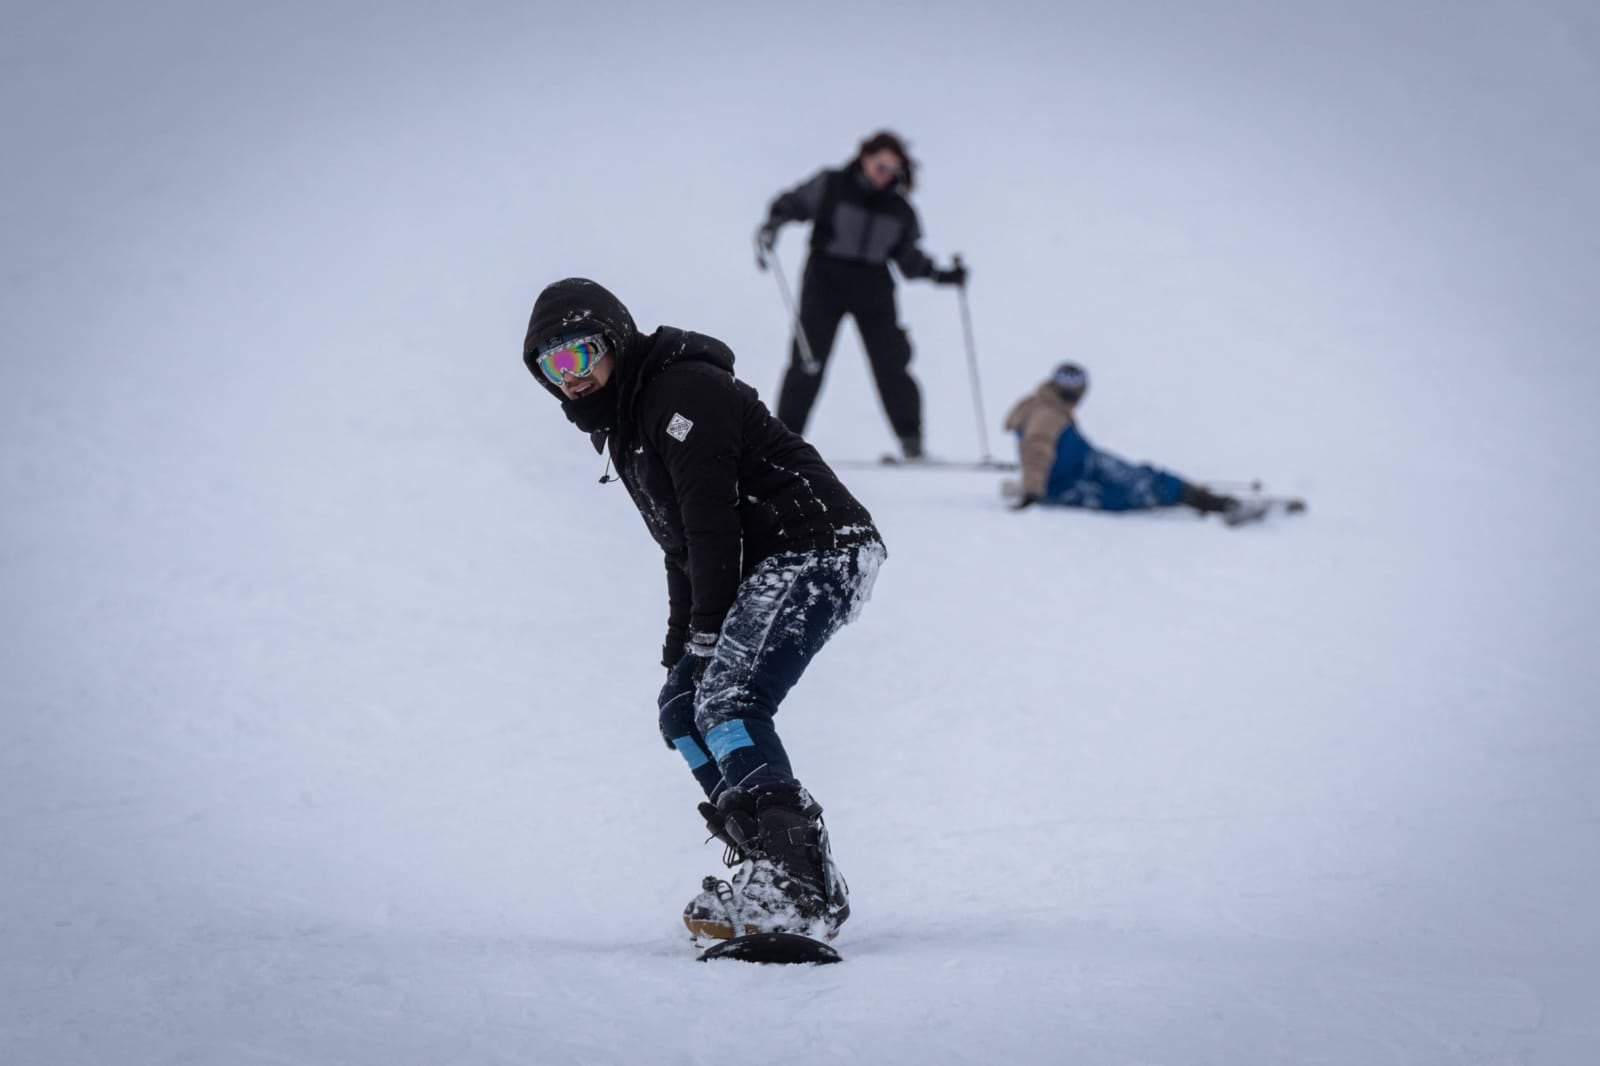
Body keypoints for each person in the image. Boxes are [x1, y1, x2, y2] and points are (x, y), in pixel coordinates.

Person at [522, 277, 887, 942]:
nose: (569, 377)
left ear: (615, 343)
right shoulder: (629, 427)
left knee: (730, 700)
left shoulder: (680, 392)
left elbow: (712, 522)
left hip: (821, 547)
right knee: (683, 710)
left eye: (579, 356)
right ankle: (764, 865)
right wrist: (679, 651)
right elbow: (681, 546)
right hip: (768, 563)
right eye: (553, 366)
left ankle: (796, 880)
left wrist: (709, 633)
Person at [756, 130, 967, 460]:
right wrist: (771, 227)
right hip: (825, 279)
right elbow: (791, 203)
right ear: (865, 159)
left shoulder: (899, 209)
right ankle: (782, 445)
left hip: (874, 284)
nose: (885, 175)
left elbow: (909, 261)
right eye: (880, 166)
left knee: (892, 362)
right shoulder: (832, 185)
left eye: (892, 170)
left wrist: (942, 275)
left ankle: (912, 443)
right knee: (808, 361)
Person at [1003, 362, 1268, 524]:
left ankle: (1198, 497)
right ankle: (1209, 502)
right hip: (1067, 486)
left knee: (1140, 475)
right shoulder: (1047, 414)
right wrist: (1032, 492)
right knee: (1131, 491)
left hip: (1086, 463)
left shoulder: (1043, 404)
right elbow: (1036, 448)